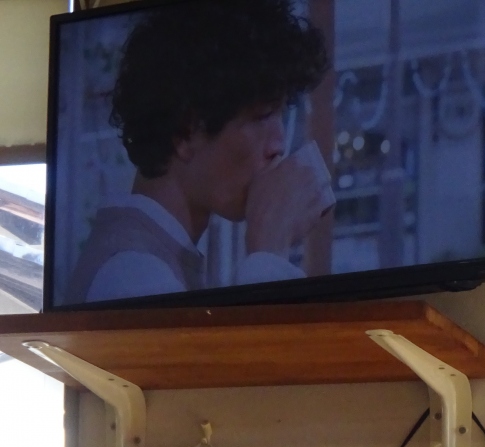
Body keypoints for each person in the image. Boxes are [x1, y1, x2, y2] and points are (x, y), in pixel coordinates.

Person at [65, 0, 335, 305]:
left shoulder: (156, 256)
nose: (278, 144)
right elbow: (258, 339)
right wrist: (270, 249)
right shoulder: (134, 272)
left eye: (280, 114)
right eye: (261, 116)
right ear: (185, 133)